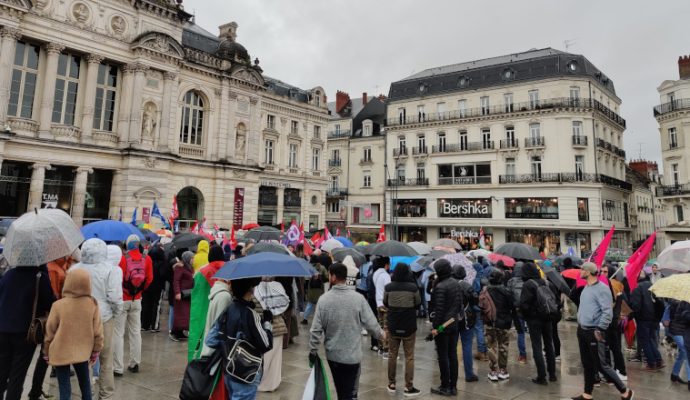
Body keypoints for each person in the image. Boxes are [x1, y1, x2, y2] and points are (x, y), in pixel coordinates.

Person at [309, 262, 385, 400]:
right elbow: (371, 323)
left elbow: (315, 330)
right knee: (350, 392)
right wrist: (382, 335)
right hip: (352, 356)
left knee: (340, 389)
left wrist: (313, 350)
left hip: (333, 355)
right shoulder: (358, 299)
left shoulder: (323, 300)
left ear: (332, 277)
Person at [571, 262, 634, 400]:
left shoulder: (602, 289)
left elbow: (607, 313)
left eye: (582, 269)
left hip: (595, 331)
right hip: (582, 330)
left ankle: (625, 391)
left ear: (588, 272)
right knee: (586, 363)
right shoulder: (586, 287)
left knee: (601, 365)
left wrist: (599, 329)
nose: (580, 271)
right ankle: (587, 394)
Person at [71, 239, 123, 400]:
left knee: (83, 358)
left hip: (80, 317)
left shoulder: (74, 269)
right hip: (104, 317)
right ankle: (106, 394)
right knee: (106, 358)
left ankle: (87, 393)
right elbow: (115, 297)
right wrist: (116, 312)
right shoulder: (111, 270)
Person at [205, 277, 273, 398]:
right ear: (250, 290)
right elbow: (266, 344)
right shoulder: (252, 315)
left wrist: (229, 342)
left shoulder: (227, 310)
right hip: (246, 374)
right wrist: (267, 323)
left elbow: (210, 340)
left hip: (229, 370)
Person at [44, 269, 104, 400]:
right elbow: (98, 332)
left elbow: (50, 332)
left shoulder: (58, 305)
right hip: (82, 351)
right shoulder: (92, 304)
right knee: (85, 384)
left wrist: (46, 351)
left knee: (64, 386)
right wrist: (96, 350)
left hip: (60, 351)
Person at [28, 250, 80, 400]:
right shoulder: (52, 268)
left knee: (47, 353)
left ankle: (37, 389)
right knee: (45, 354)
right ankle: (35, 390)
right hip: (52, 314)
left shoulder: (60, 265)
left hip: (57, 311)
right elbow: (52, 294)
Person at [0, 262, 55, 400]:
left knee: (2, 370)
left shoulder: (8, 275)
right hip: (25, 332)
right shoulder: (40, 277)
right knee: (17, 374)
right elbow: (50, 302)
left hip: (3, 329)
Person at [114, 234, 153, 375]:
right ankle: (134, 363)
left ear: (127, 245)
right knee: (135, 332)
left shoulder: (123, 259)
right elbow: (149, 279)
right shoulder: (146, 259)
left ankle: (118, 368)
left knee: (118, 334)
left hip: (123, 299)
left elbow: (118, 278)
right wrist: (140, 291)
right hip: (137, 299)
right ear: (138, 245)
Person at [383, 263, 421, 396]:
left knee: (392, 354)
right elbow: (418, 303)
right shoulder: (413, 287)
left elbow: (385, 302)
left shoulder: (388, 287)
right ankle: (408, 387)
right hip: (409, 326)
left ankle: (392, 383)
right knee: (409, 356)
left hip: (393, 325)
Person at [519, 262, 557, 385]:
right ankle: (552, 374)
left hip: (534, 320)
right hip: (548, 318)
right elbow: (555, 300)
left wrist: (526, 314)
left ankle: (542, 376)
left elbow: (524, 305)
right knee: (549, 345)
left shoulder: (528, 285)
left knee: (537, 347)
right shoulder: (547, 283)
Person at [188, 245, 227, 360]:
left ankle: (196, 362)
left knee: (201, 336)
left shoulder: (201, 272)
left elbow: (196, 297)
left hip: (204, 310)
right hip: (224, 310)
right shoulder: (229, 270)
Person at [430, 259, 461, 396]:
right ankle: (453, 386)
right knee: (452, 355)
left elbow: (439, 311)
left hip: (443, 326)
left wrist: (435, 328)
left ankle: (445, 386)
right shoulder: (455, 283)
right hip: (454, 323)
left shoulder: (441, 286)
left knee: (443, 356)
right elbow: (459, 305)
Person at [484, 268, 515, 382]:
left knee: (491, 347)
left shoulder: (485, 290)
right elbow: (512, 306)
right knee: (503, 346)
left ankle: (493, 371)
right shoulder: (507, 291)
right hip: (504, 323)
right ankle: (503, 370)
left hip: (490, 322)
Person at [630, 271, 665, 370]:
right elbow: (660, 303)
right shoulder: (652, 285)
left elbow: (636, 306)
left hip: (643, 318)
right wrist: (658, 318)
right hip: (653, 318)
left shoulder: (637, 287)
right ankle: (658, 360)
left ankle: (651, 363)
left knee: (645, 341)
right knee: (651, 339)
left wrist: (632, 315)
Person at [452, 265, 478, 382]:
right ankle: (469, 374)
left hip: (452, 320)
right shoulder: (467, 285)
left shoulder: (448, 284)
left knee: (451, 348)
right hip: (466, 319)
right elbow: (475, 300)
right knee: (467, 346)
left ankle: (452, 374)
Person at [141, 242, 166, 332]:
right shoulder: (162, 263)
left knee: (146, 304)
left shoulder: (147, 261)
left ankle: (144, 325)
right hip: (158, 287)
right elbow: (163, 275)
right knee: (156, 305)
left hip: (147, 286)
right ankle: (154, 326)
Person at [664, 299, 689, 385]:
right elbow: (684, 317)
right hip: (677, 331)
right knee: (685, 351)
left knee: (683, 352)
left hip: (683, 331)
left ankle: (674, 374)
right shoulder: (681, 303)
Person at [171, 251, 194, 341]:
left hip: (187, 294)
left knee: (185, 315)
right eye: (192, 258)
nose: (193, 260)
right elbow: (176, 281)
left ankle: (180, 332)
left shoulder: (189, 267)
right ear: (188, 258)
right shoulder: (180, 267)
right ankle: (174, 333)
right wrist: (177, 293)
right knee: (180, 315)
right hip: (181, 295)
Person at [507, 262, 528, 363]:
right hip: (528, 309)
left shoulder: (511, 281)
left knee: (521, 333)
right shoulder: (528, 280)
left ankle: (522, 355)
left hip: (517, 310)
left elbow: (508, 296)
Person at [302, 253, 329, 324]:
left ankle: (305, 319)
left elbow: (306, 278)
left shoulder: (309, 267)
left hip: (311, 288)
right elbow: (326, 277)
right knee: (319, 304)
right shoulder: (322, 267)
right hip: (320, 288)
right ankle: (319, 320)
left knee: (310, 304)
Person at [373, 256, 392, 358]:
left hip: (378, 303)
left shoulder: (375, 274)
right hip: (386, 304)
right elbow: (389, 289)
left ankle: (380, 348)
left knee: (380, 327)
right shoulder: (385, 275)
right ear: (386, 265)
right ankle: (386, 351)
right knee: (387, 328)